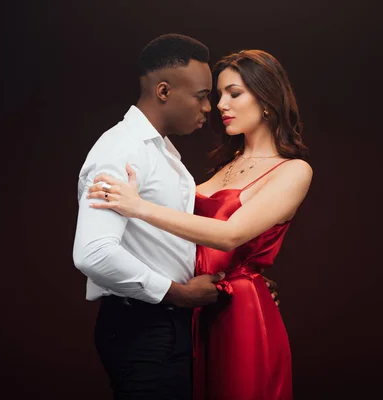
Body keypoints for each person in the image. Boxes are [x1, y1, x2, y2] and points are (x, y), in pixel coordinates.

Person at [87, 49, 312, 400]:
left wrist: (138, 207)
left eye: (234, 93)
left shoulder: (293, 169)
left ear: (268, 98)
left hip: (240, 313)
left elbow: (231, 235)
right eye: (217, 94)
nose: (220, 104)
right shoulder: (224, 165)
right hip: (196, 305)